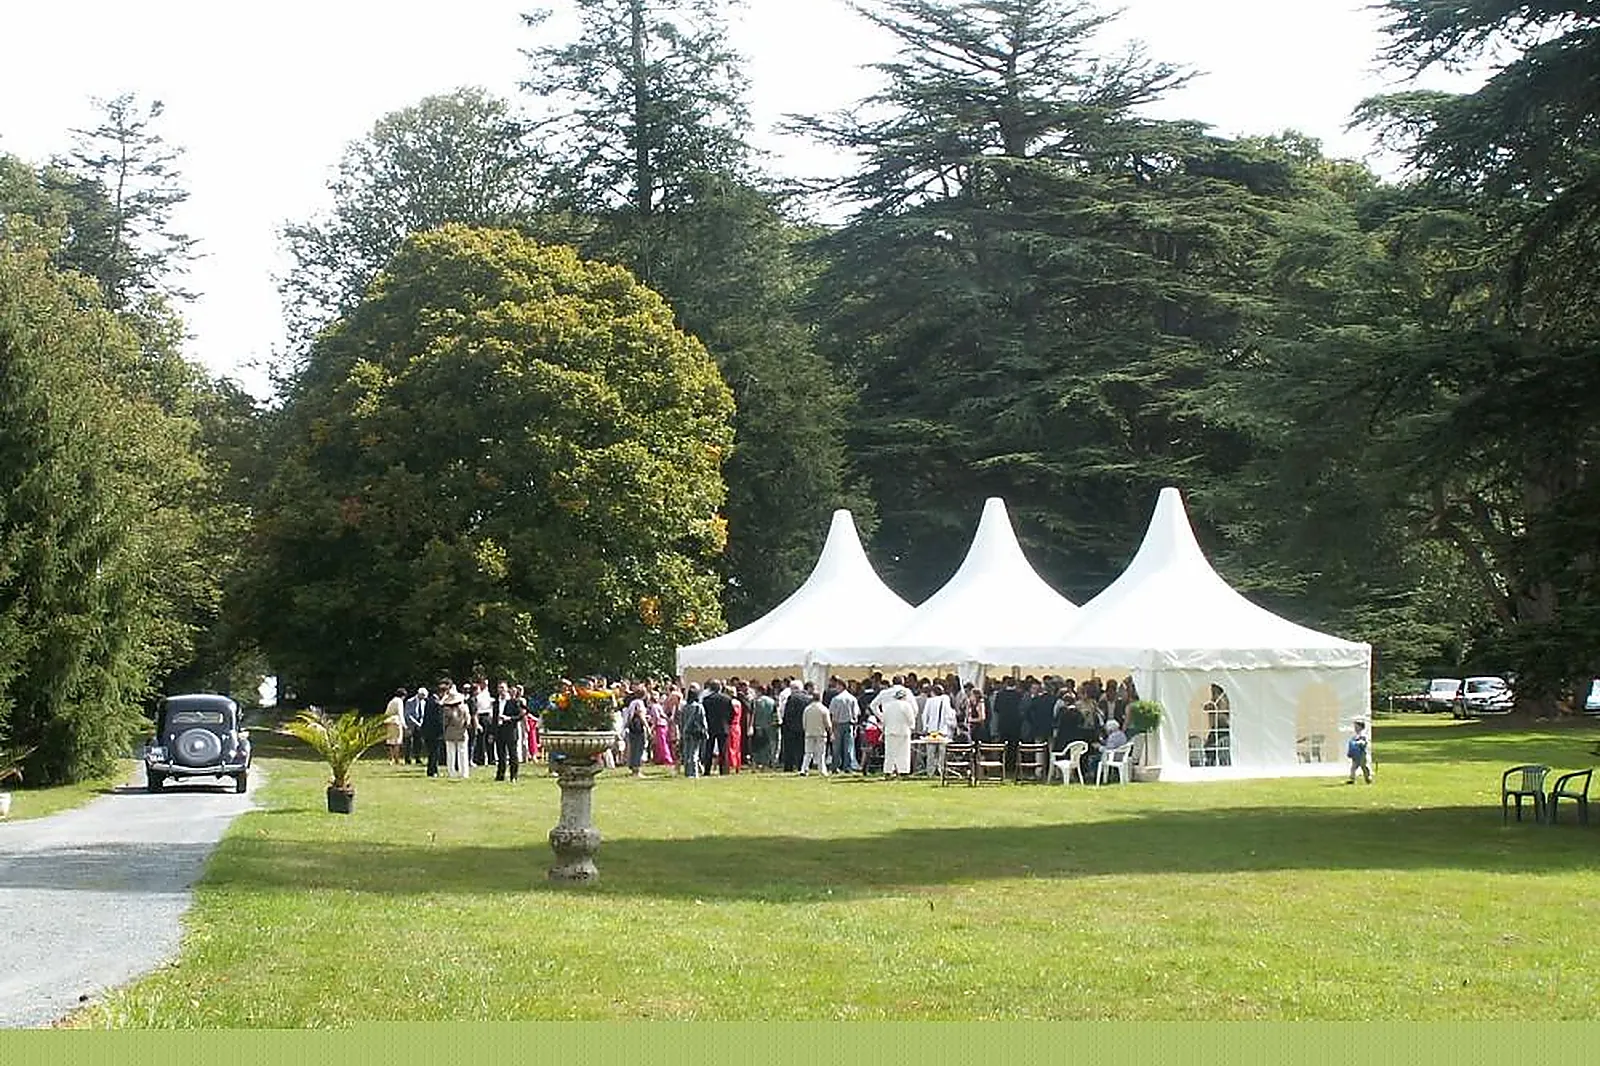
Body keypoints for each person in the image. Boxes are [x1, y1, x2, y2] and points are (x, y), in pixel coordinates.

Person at [879, 685, 917, 777]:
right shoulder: (906, 705)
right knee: (903, 752)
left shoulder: (887, 706)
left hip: (890, 731)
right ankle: (903, 770)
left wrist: (884, 729)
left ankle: (888, 770)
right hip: (903, 731)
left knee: (889, 753)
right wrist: (912, 727)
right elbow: (911, 719)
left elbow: (884, 719)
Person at [921, 683, 956, 777]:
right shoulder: (946, 700)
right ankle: (941, 771)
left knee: (931, 754)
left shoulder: (930, 701)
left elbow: (924, 715)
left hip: (932, 730)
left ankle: (930, 772)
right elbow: (949, 715)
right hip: (943, 731)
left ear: (933, 692)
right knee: (942, 753)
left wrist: (925, 727)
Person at [439, 679, 472, 779]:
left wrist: (444, 730)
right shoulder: (464, 707)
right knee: (463, 753)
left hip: (450, 732)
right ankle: (464, 773)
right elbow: (468, 720)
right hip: (462, 731)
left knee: (451, 753)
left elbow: (445, 722)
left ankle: (452, 772)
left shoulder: (447, 710)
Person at [701, 680, 735, 775]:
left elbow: (704, 714)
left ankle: (707, 770)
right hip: (723, 727)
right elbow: (732, 713)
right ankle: (724, 770)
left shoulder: (706, 700)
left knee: (709, 749)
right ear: (720, 688)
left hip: (710, 727)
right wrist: (728, 722)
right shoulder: (727, 699)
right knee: (723, 750)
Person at [827, 679, 860, 773]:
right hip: (849, 724)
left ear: (841, 686)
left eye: (837, 686)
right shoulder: (853, 699)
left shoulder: (836, 699)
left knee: (836, 747)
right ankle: (847, 766)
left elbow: (832, 714)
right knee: (848, 747)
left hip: (837, 724)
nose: (836, 688)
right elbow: (856, 714)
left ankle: (835, 766)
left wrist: (832, 728)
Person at [493, 681, 523, 782]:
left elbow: (520, 716)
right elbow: (493, 718)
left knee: (512, 754)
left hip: (510, 730)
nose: (500, 690)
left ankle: (513, 775)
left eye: (502, 688)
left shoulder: (513, 702)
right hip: (499, 730)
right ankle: (500, 775)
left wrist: (509, 718)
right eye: (499, 688)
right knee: (501, 754)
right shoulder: (496, 703)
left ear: (507, 689)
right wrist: (492, 732)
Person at [799, 691, 831, 775]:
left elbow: (804, 722)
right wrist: (830, 732)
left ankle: (804, 769)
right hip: (820, 733)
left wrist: (806, 730)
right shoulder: (824, 709)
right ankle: (822, 770)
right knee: (821, 753)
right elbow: (827, 723)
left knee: (808, 753)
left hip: (809, 733)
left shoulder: (807, 709)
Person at [680, 686, 708, 778]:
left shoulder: (685, 707)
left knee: (687, 753)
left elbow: (682, 720)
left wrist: (682, 731)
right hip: (695, 731)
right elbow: (703, 720)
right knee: (694, 753)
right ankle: (694, 773)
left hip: (686, 732)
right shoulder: (698, 707)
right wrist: (705, 730)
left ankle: (687, 772)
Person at [624, 687, 650, 776]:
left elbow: (629, 716)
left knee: (633, 747)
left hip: (632, 728)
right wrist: (647, 727)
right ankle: (637, 769)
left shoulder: (632, 703)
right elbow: (641, 715)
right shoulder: (640, 703)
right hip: (638, 728)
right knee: (639, 747)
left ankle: (633, 767)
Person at [402, 686, 426, 764]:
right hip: (410, 724)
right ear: (419, 694)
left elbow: (422, 714)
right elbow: (408, 715)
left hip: (419, 725)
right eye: (422, 696)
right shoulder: (410, 701)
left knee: (419, 742)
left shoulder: (423, 702)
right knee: (409, 742)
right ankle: (407, 758)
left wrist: (421, 723)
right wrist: (416, 723)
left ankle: (417, 757)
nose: (423, 698)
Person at [383, 688, 406, 765]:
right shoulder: (399, 701)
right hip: (396, 722)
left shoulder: (392, 701)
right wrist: (404, 725)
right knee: (397, 742)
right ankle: (397, 759)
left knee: (390, 741)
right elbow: (400, 713)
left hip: (388, 721)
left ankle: (391, 759)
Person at [1347, 720, 1372, 784]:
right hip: (1355, 754)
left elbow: (1364, 742)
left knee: (1364, 767)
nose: (1355, 728)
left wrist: (1358, 743)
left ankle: (1368, 778)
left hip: (1361, 754)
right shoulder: (1355, 735)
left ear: (1361, 727)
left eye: (1356, 726)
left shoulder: (1363, 734)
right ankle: (1352, 779)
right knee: (1353, 767)